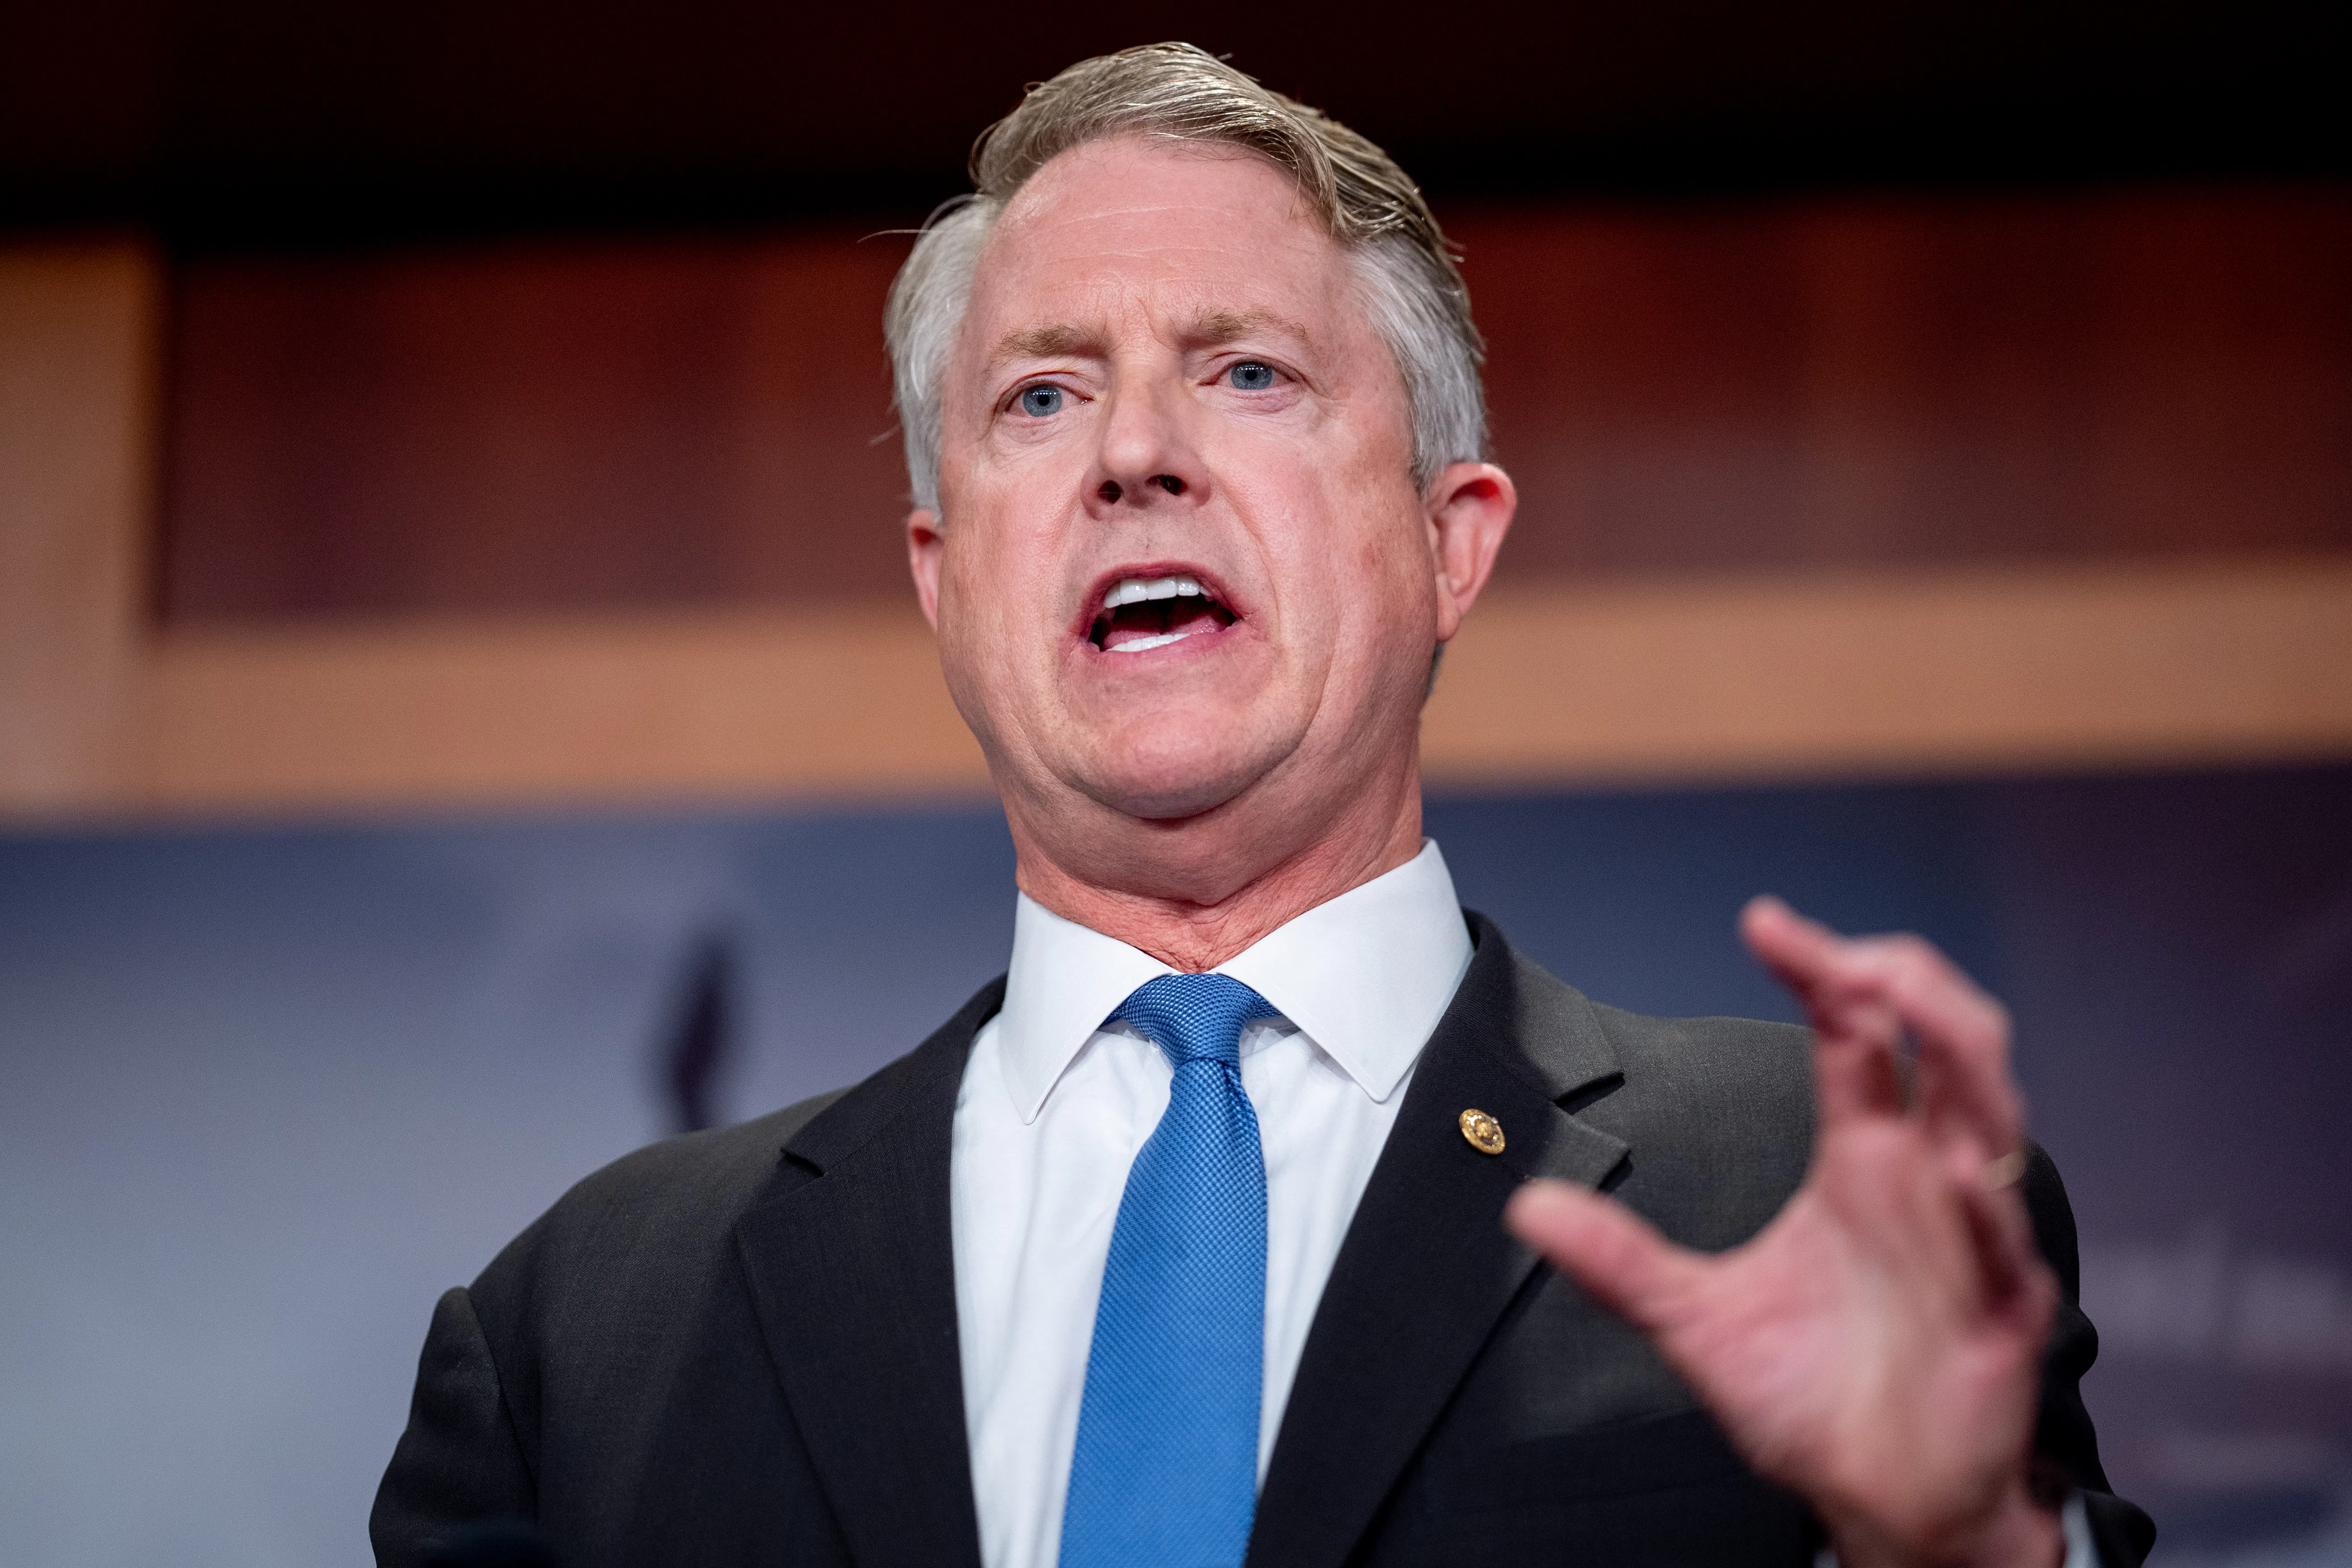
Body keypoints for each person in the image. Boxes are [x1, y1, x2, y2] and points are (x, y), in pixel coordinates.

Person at [372, 43, 2151, 1568]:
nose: (1134, 452)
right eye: (1042, 395)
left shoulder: (1799, 1198)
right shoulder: (584, 1333)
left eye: (1246, 374)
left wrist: (1957, 1547)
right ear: (942, 575)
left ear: (1448, 543)